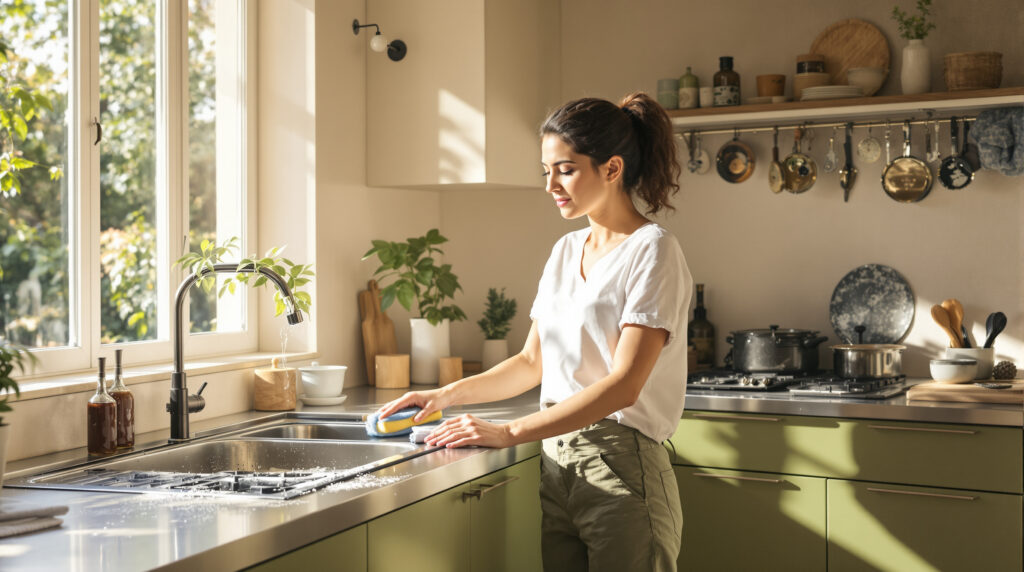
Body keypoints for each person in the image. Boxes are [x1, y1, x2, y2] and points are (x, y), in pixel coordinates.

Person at [375, 92, 693, 572]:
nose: (551, 185)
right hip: (557, 463)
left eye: (565, 169)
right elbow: (531, 363)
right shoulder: (566, 250)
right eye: (546, 171)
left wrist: (508, 431)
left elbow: (626, 385)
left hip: (621, 468)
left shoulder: (653, 251)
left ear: (611, 169)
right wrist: (444, 396)